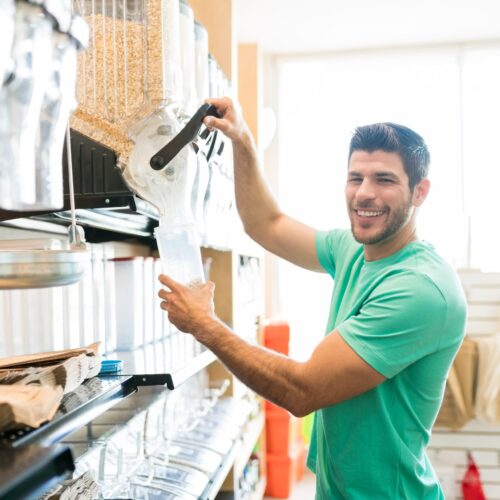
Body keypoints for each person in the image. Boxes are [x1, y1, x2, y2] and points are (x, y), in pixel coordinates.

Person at [158, 97, 467, 499]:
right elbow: (267, 224)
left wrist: (205, 324)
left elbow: (301, 391)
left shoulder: (422, 289)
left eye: (384, 180)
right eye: (356, 178)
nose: (364, 194)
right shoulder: (353, 250)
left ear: (420, 191)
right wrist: (243, 141)